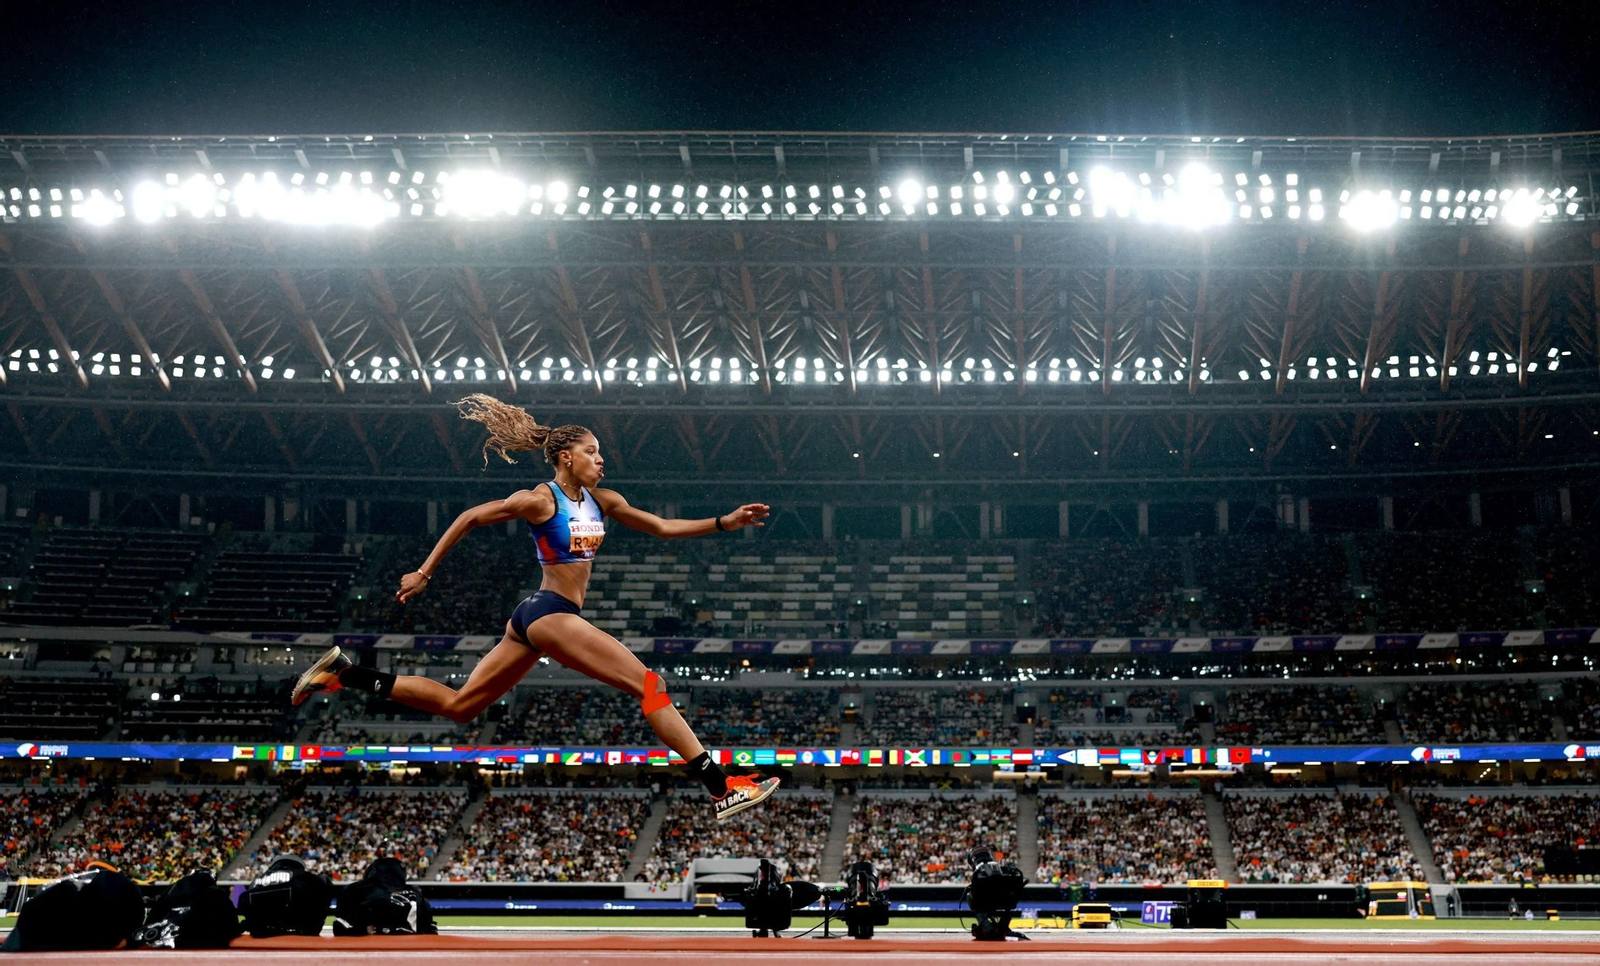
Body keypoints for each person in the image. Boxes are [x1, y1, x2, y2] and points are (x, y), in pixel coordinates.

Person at [290, 394, 779, 821]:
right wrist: (424, 572)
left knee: (461, 707)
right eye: (592, 451)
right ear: (566, 456)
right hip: (550, 614)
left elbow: (663, 527)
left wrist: (724, 521)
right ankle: (721, 787)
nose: (601, 460)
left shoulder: (603, 500)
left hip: (535, 619)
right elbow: (469, 516)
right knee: (650, 686)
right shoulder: (540, 500)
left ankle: (344, 674)